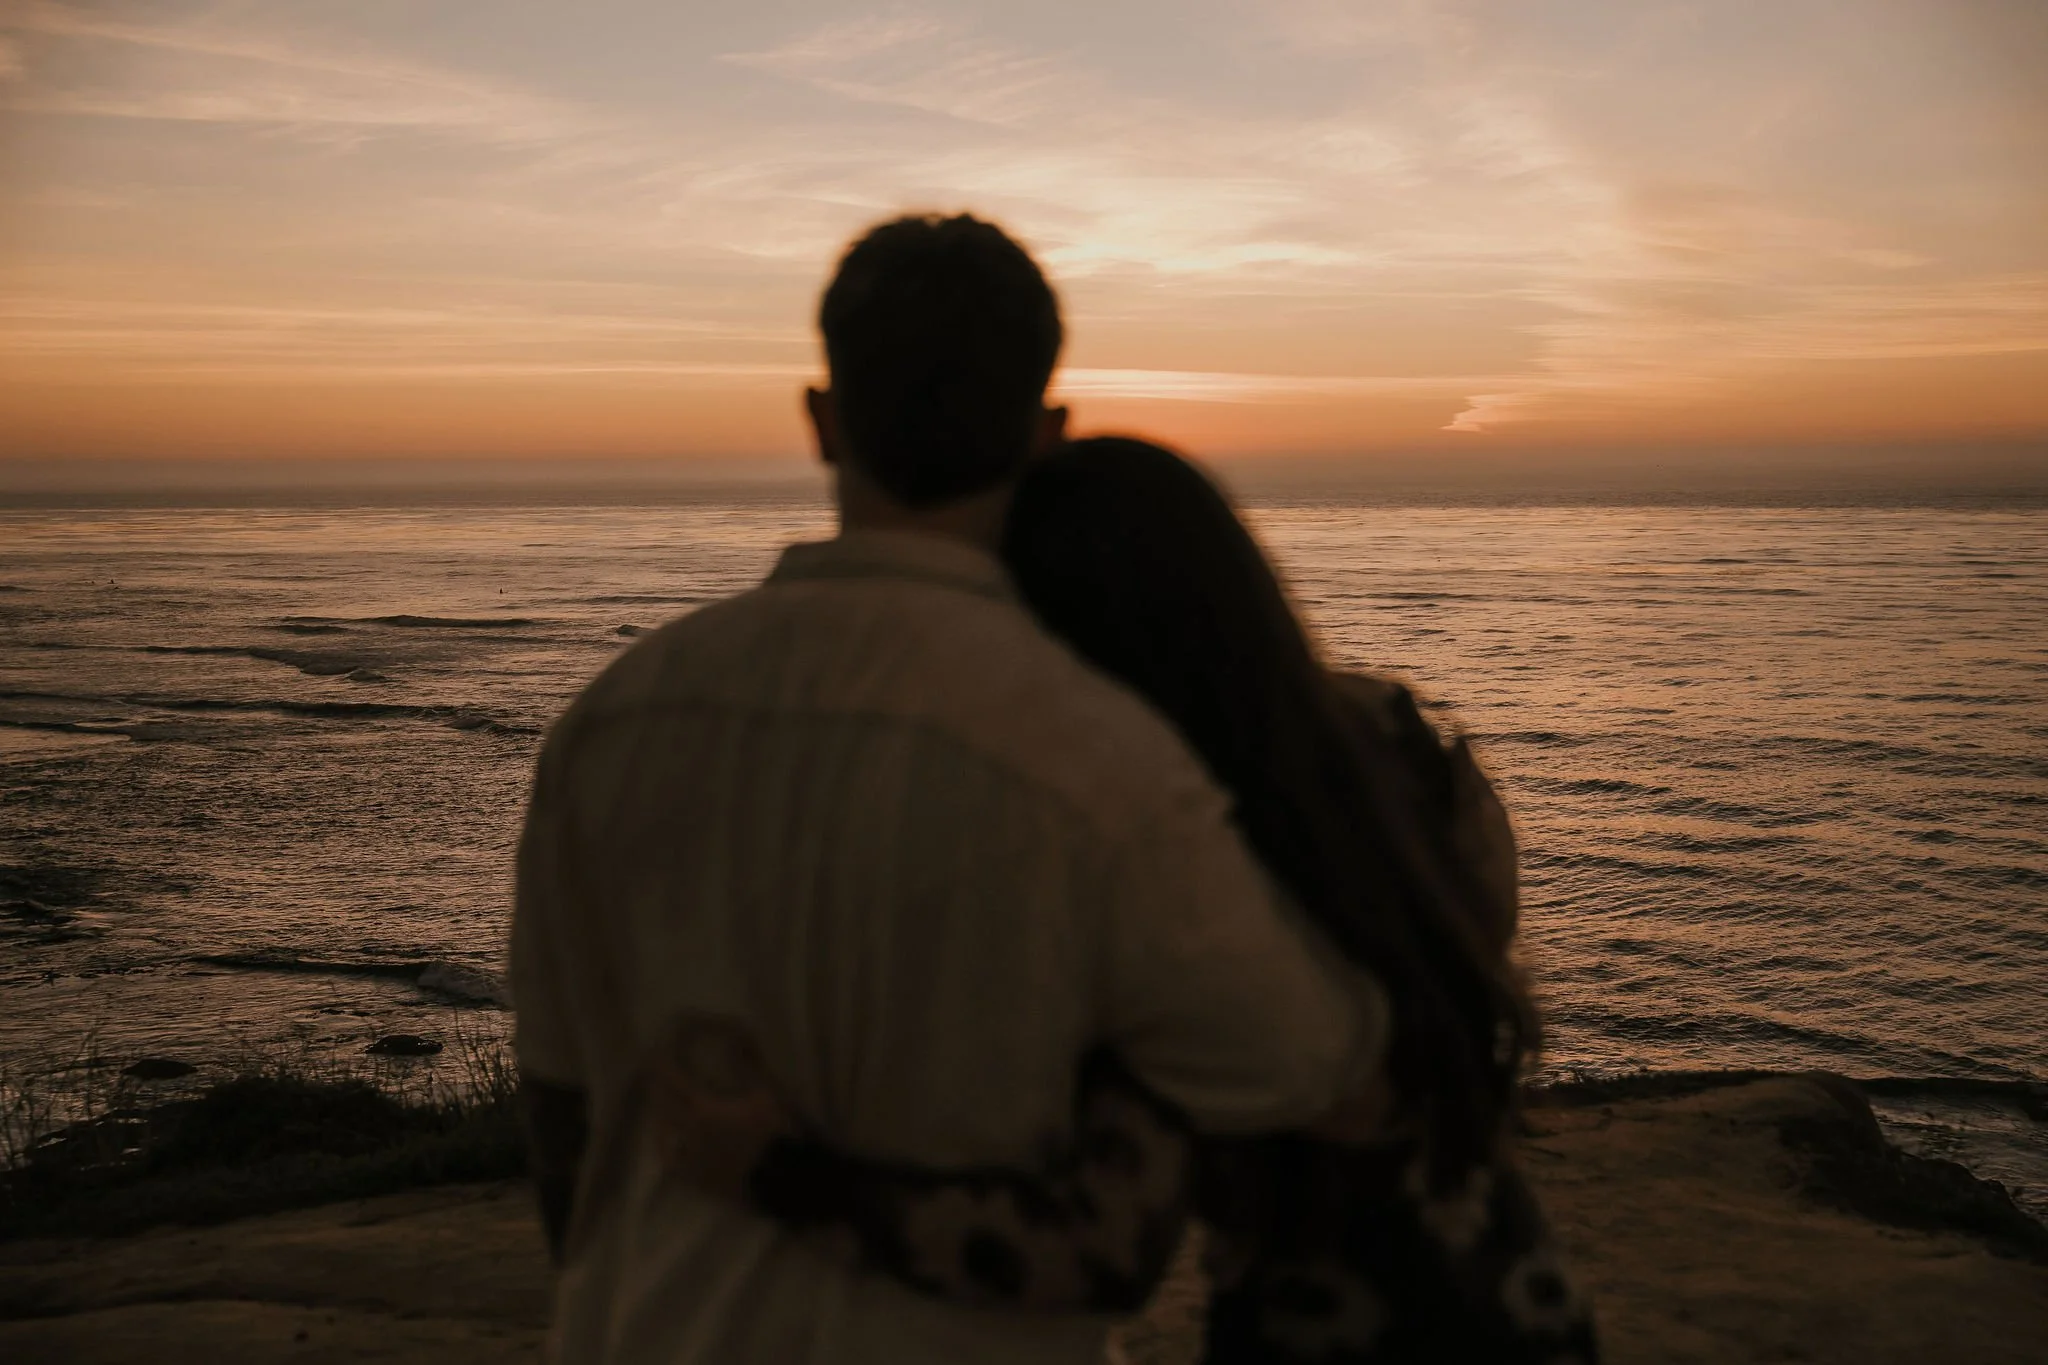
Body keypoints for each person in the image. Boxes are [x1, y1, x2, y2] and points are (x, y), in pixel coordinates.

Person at [508, 216, 1388, 1365]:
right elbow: (1305, 1062)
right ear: (1045, 434)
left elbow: (567, 1140)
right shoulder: (1101, 761)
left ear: (821, 421)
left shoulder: (608, 725)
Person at [659, 439, 1601, 1363]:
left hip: (1328, 1329)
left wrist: (777, 1172)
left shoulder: (1174, 854)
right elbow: (1480, 969)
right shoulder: (1404, 751)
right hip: (1524, 1296)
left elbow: (1098, 1247)